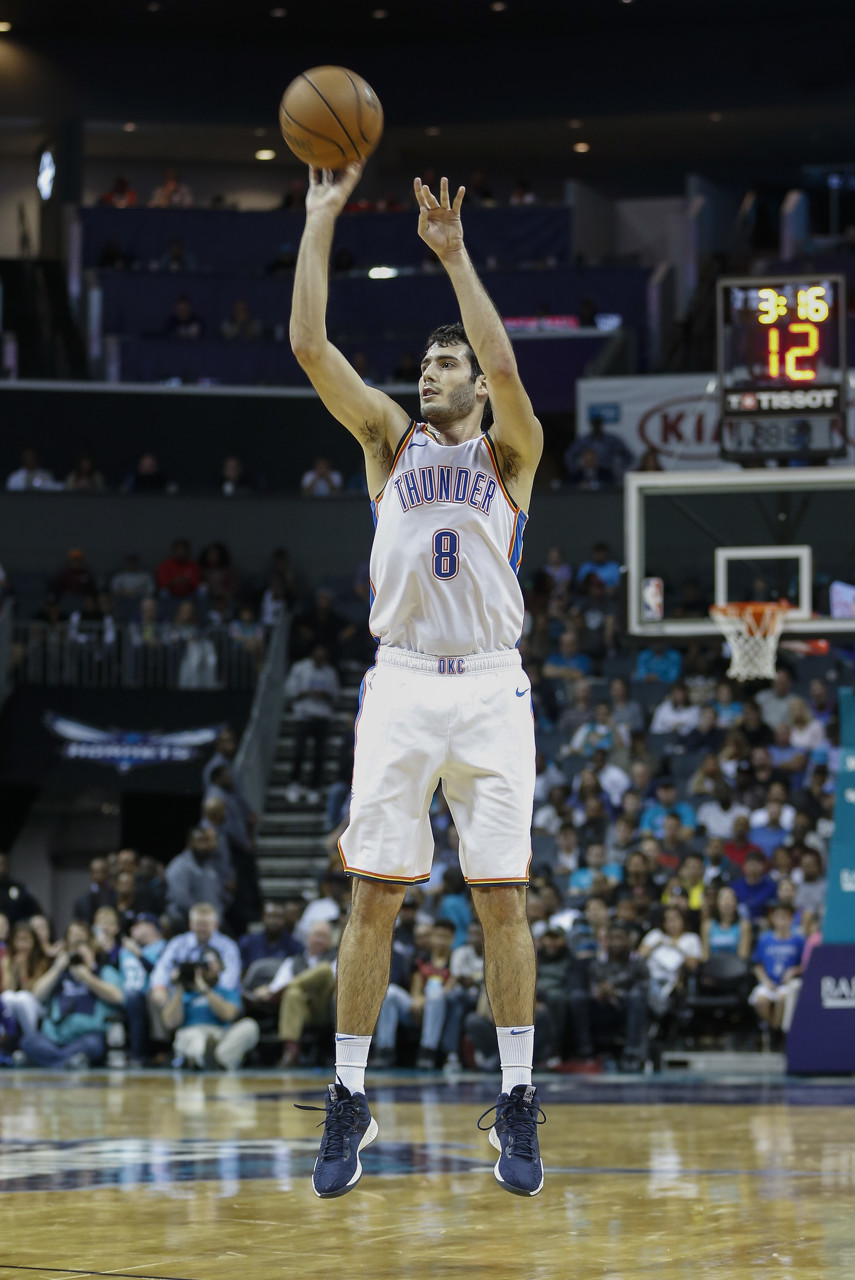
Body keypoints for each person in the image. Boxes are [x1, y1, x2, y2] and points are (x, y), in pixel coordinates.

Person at [289, 163, 545, 1198]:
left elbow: (506, 361)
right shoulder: (387, 442)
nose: (432, 372)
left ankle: (517, 1096)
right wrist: (320, 217)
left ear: (476, 387)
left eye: (448, 364)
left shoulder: (511, 453)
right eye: (427, 362)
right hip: (399, 682)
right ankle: (348, 1094)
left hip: (489, 685)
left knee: (502, 901)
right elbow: (310, 347)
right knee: (373, 897)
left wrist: (454, 255)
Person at [161, 945, 259, 1070]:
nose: (210, 968)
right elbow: (170, 1023)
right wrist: (180, 987)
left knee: (250, 1026)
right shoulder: (183, 994)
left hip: (221, 1035)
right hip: (193, 1032)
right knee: (192, 1038)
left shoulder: (227, 992)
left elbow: (228, 1015)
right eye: (206, 964)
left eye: (213, 963)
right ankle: (210, 1059)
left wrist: (205, 989)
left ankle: (213, 1060)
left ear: (220, 966)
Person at [283, 643, 340, 805]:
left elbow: (335, 695)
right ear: (312, 654)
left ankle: (314, 787)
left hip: (322, 718)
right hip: (304, 717)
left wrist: (325, 694)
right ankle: (294, 784)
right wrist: (307, 692)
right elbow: (289, 691)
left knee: (319, 755)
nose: (321, 658)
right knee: (299, 752)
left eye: (323, 656)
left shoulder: (330, 672)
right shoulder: (300, 668)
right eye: (318, 655)